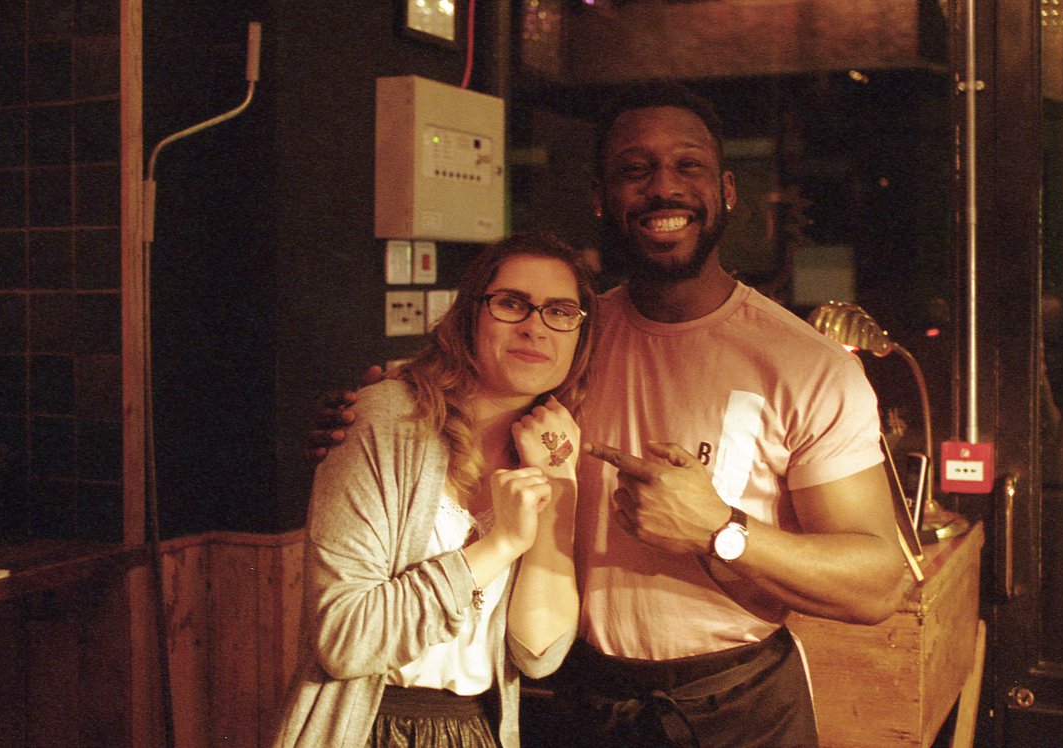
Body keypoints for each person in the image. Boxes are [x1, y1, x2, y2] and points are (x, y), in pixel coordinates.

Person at [310, 83, 906, 747]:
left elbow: (878, 585)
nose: (663, 187)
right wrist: (380, 409)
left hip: (741, 705)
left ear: (727, 190)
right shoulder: (569, 337)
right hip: (573, 696)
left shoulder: (809, 365)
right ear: (600, 197)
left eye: (688, 165)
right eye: (634, 169)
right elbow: (462, 395)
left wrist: (720, 530)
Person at [273, 231, 598, 747]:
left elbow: (539, 653)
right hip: (366, 727)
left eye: (560, 311)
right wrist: (499, 546)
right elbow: (344, 639)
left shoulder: (551, 449)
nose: (536, 327)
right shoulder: (384, 419)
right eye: (512, 304)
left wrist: (560, 483)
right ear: (469, 315)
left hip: (476, 730)